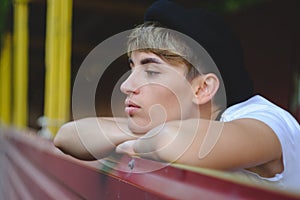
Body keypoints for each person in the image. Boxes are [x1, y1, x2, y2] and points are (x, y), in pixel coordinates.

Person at [53, 0, 300, 192]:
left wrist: (142, 139)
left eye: (150, 71)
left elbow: (175, 143)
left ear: (202, 89)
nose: (126, 85)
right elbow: (67, 135)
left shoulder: (267, 122)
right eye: (132, 68)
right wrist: (146, 136)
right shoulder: (176, 124)